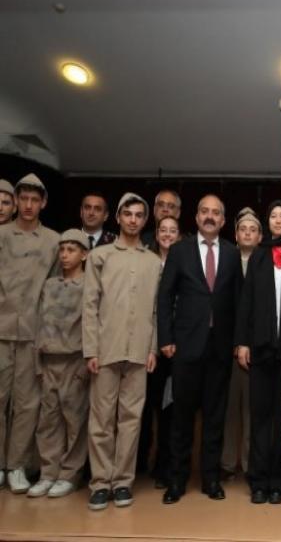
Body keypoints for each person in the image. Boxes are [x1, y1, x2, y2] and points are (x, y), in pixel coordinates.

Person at [158, 194, 243, 505]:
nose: (210, 216)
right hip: (185, 348)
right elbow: (165, 297)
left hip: (220, 350)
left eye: (216, 213)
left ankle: (211, 479)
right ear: (195, 217)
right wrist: (165, 338)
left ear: (223, 220)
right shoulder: (179, 251)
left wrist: (238, 342)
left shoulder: (232, 254)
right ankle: (176, 480)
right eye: (204, 211)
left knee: (215, 418)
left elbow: (239, 301)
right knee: (181, 419)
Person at [83, 192, 161, 510]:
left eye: (139, 215)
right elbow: (90, 306)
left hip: (139, 351)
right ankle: (100, 483)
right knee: (101, 419)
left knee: (131, 419)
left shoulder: (153, 262)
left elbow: (155, 310)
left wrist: (153, 348)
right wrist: (91, 350)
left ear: (145, 221)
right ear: (117, 217)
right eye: (127, 214)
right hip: (106, 349)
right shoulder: (100, 256)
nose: (133, 220)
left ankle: (122, 482)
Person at [0, 173, 60, 494]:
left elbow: (55, 290)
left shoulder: (53, 241)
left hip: (33, 333)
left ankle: (16, 466)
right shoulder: (1, 234)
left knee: (27, 403)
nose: (28, 205)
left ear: (43, 203)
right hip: (0, 329)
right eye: (23, 198)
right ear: (15, 201)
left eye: (34, 200)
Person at [235, 201, 281, 505]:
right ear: (268, 223)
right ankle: (258, 481)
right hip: (260, 348)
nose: (278, 220)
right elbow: (246, 301)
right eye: (273, 216)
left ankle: (279, 481)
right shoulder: (258, 257)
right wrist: (242, 343)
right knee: (260, 417)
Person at [26, 229, 89, 499]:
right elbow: (39, 322)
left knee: (75, 420)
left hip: (74, 359)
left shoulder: (88, 286)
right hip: (49, 358)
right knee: (48, 420)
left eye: (71, 250)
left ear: (84, 255)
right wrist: (37, 360)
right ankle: (48, 472)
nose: (65, 255)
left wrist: (87, 361)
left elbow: (91, 325)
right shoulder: (50, 285)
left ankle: (69, 474)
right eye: (62, 250)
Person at [136, 215, 182, 488]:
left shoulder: (184, 261)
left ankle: (164, 465)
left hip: (174, 348)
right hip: (146, 346)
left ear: (179, 235)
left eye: (172, 231)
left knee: (169, 409)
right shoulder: (146, 261)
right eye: (163, 230)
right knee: (145, 408)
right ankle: (139, 460)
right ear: (156, 234)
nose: (167, 235)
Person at [221, 208, 262, 481]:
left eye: (253, 230)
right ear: (235, 235)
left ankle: (248, 464)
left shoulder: (265, 263)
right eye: (243, 229)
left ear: (260, 236)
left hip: (255, 348)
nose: (247, 233)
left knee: (251, 410)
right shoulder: (226, 261)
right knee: (228, 409)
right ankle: (226, 463)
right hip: (226, 347)